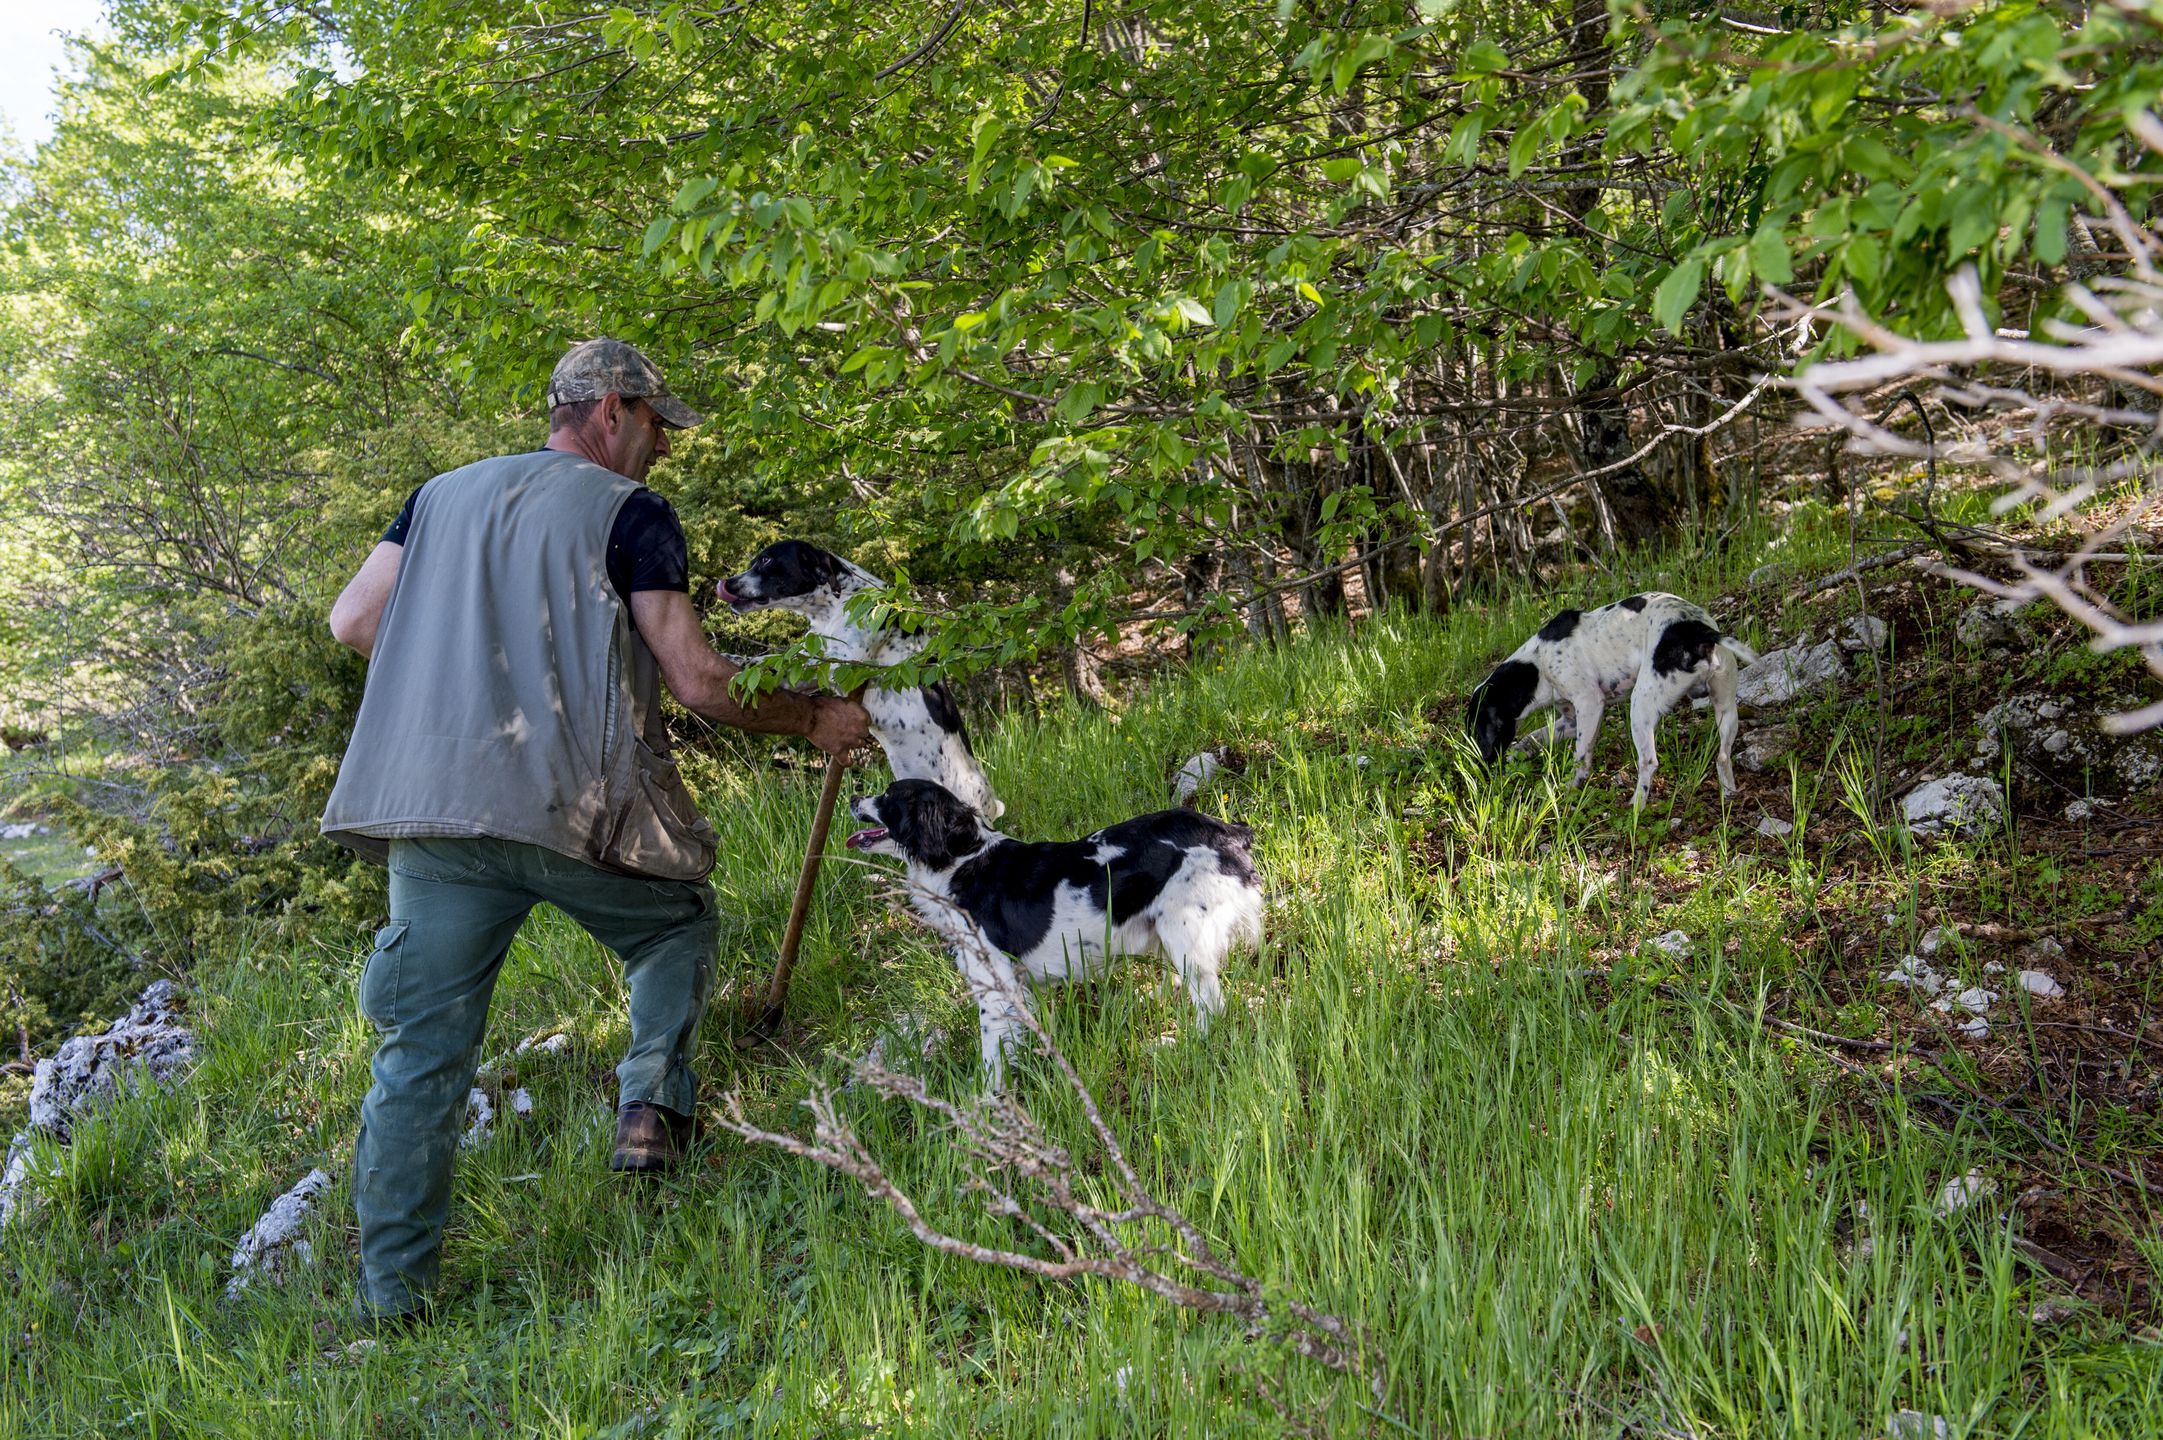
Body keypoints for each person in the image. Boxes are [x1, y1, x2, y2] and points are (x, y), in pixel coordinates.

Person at [319, 337, 869, 1323]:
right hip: (571, 806)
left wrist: (461, 685)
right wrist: (814, 717)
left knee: (421, 1057)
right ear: (611, 410)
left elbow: (354, 622)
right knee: (674, 925)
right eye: (657, 423)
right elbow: (697, 679)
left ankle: (393, 1304)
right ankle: (650, 1105)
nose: (664, 446)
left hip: (431, 814)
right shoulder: (631, 513)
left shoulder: (435, 499)